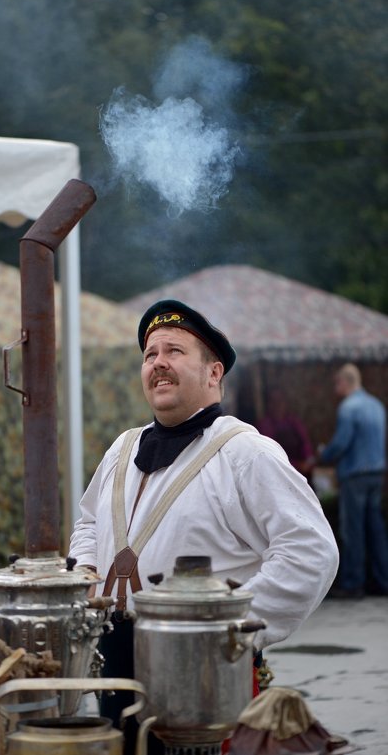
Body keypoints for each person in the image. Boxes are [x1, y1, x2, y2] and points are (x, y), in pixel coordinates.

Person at [69, 300, 339, 755]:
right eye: (150, 354)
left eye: (174, 351)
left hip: (205, 668)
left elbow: (310, 550)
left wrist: (233, 632)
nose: (158, 363)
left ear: (214, 374)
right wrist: (86, 571)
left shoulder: (246, 452)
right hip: (114, 654)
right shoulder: (122, 447)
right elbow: (89, 521)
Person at [318, 363, 388, 599]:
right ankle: (383, 580)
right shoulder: (377, 406)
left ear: (345, 382)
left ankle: (352, 583)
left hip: (355, 475)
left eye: (337, 383)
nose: (336, 388)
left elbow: (341, 443)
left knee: (353, 530)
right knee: (375, 528)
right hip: (376, 474)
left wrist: (323, 456)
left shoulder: (349, 408)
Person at [257, 388, 315, 479]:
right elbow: (271, 455)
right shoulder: (265, 425)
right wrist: (297, 465)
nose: (277, 405)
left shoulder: (293, 422)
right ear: (268, 404)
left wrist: (308, 460)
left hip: (301, 473)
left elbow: (305, 443)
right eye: (273, 401)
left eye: (280, 401)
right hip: (279, 474)